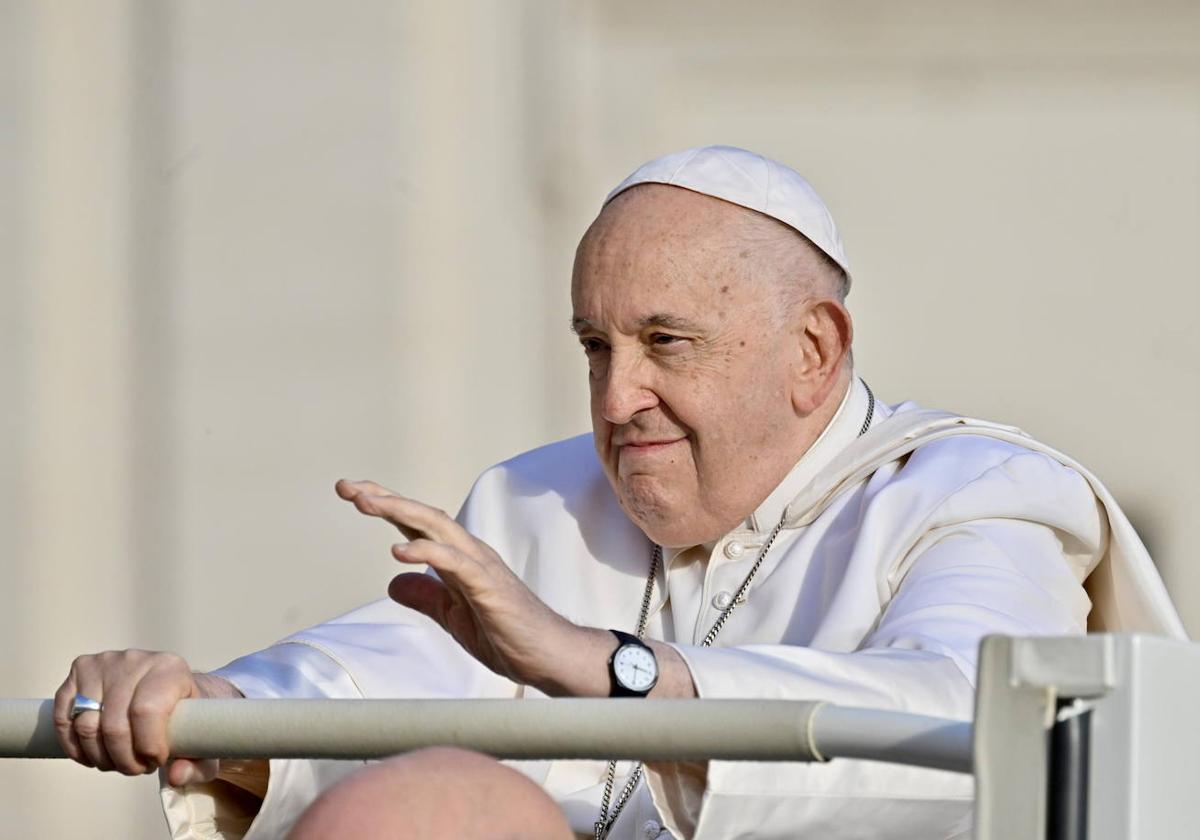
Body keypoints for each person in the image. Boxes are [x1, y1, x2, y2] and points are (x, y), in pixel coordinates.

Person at [54, 146, 1185, 840]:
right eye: (595, 344)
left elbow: (965, 724)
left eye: (667, 341)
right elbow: (389, 682)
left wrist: (612, 672)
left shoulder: (978, 490)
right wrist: (209, 711)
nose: (617, 395)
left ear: (813, 353)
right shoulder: (543, 498)